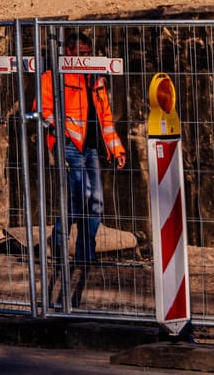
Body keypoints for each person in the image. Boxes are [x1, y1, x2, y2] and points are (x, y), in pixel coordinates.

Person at [41, 30, 128, 264]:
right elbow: (44, 113)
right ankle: (60, 246)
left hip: (90, 149)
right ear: (68, 53)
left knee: (96, 201)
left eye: (88, 54)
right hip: (69, 145)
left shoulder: (95, 79)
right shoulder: (53, 77)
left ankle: (85, 255)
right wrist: (61, 138)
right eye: (81, 54)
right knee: (82, 194)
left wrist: (116, 149)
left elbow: (106, 119)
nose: (85, 59)